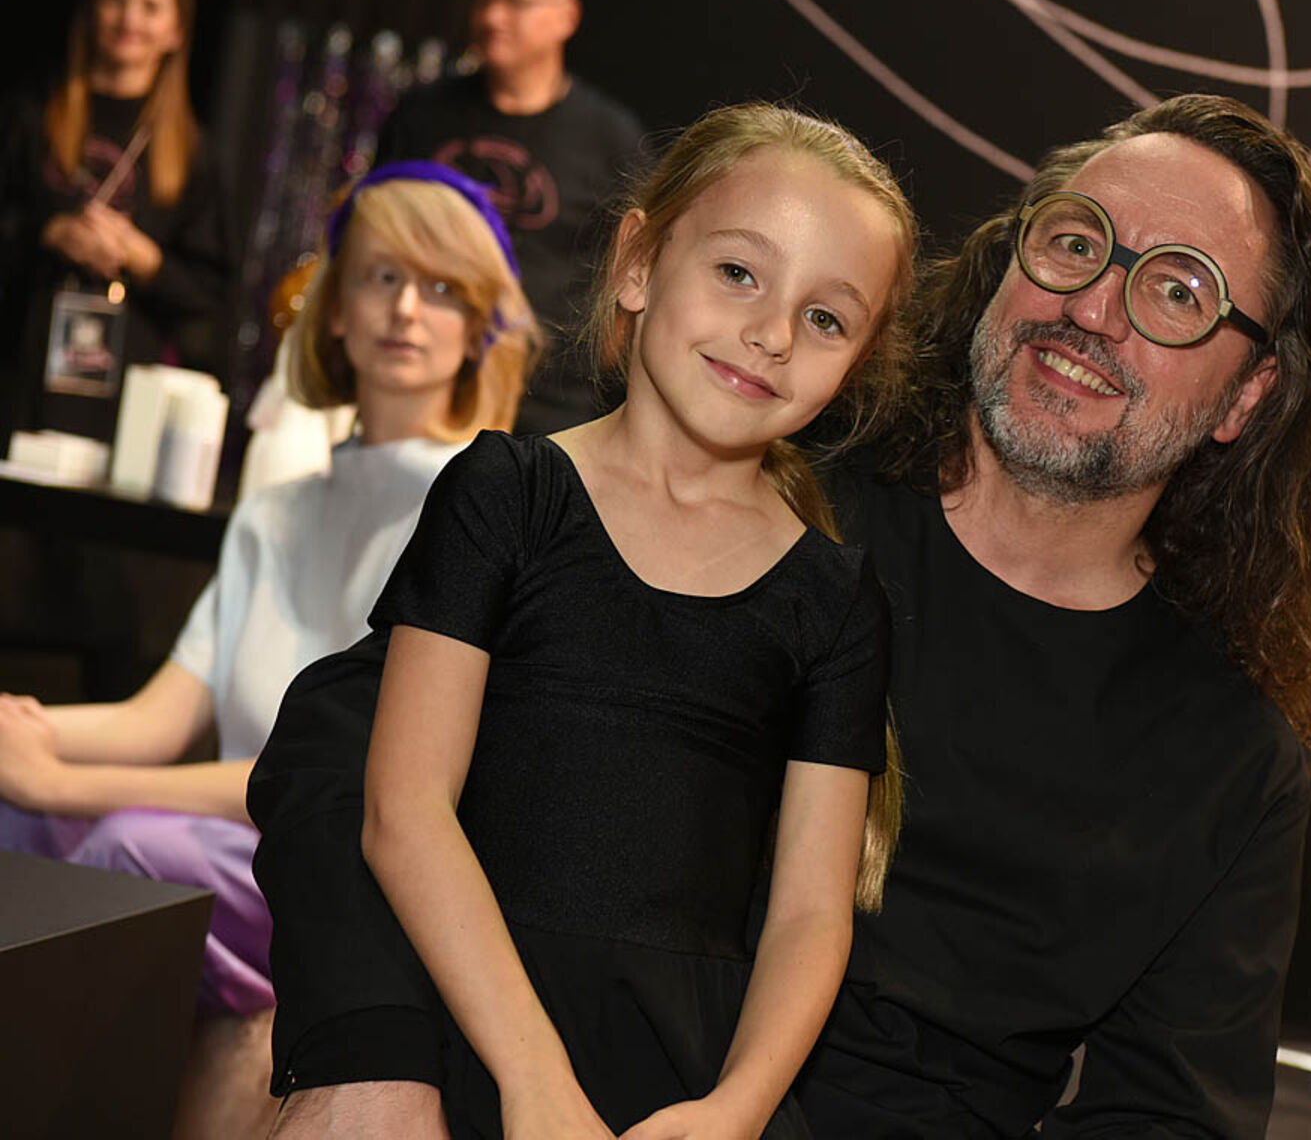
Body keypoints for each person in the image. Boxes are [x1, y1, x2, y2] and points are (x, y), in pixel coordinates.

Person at [253, 92, 1311, 1139]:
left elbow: (1170, 1116)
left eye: (1177, 291)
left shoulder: (1228, 756)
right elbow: (342, 747)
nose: (1095, 306)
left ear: (1246, 393)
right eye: (1075, 241)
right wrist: (369, 1050)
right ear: (1005, 263)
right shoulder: (760, 491)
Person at [251, 103, 918, 1139]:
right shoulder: (505, 494)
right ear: (638, 262)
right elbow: (404, 809)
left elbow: (809, 914)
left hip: (682, 1081)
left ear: (859, 363)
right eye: (738, 272)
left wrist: (734, 1110)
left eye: (827, 318)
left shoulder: (835, 600)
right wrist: (533, 1077)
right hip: (470, 1026)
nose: (773, 334)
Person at [0, 160, 536, 1136]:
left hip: (338, 856)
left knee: (125, 850)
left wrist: (61, 782)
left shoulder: (478, 514)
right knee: (15, 818)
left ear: (480, 327)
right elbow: (161, 715)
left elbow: (337, 774)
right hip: (218, 830)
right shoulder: (277, 509)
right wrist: (26, 731)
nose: (405, 309)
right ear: (334, 310)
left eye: (441, 288)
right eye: (381, 276)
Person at [374, 0, 646, 436]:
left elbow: (633, 272)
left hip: (547, 407)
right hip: (423, 386)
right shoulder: (421, 116)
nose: (493, 17)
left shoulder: (610, 140)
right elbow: (374, 236)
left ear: (566, 17)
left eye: (515, 2)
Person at [0, 0, 230, 445]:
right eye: (116, 0)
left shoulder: (192, 152)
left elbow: (209, 294)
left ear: (176, 30)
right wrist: (49, 233)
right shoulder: (29, 118)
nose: (130, 19)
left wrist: (143, 258)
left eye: (150, 7)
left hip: (122, 400)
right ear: (92, 12)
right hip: (18, 373)